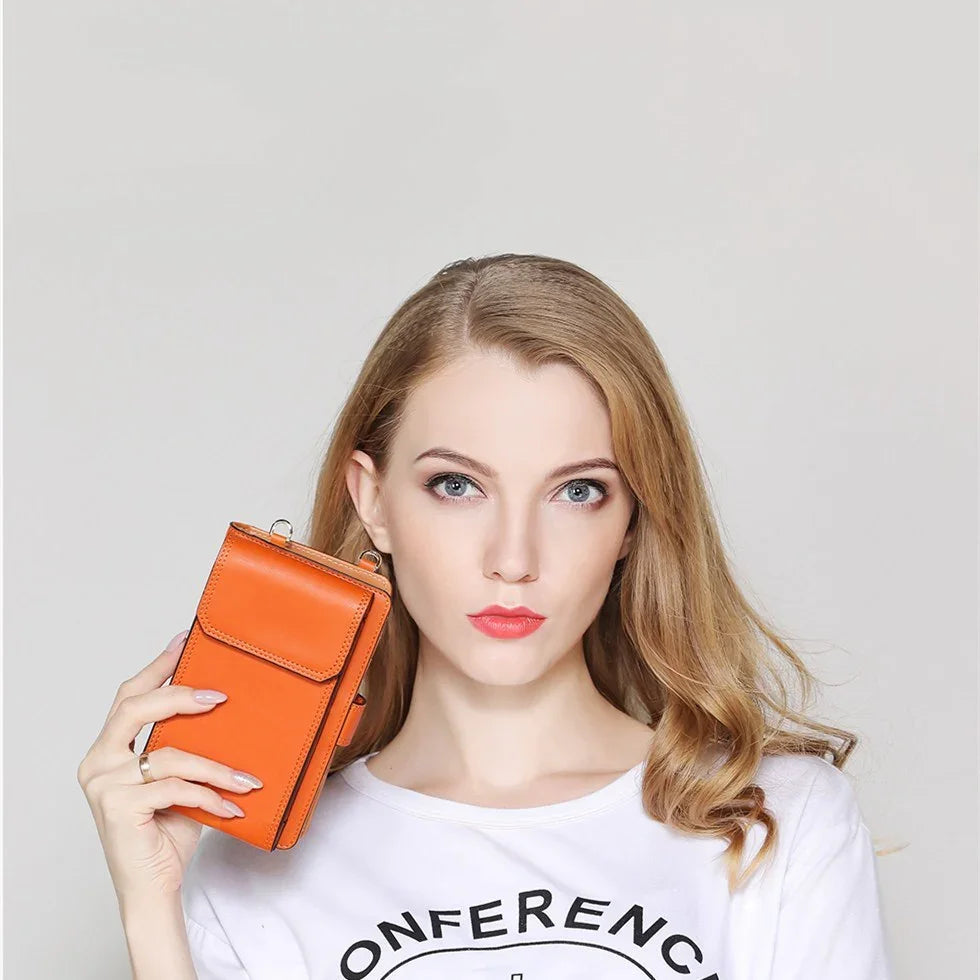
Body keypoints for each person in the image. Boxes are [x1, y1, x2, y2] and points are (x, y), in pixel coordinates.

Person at [78, 253, 895, 979]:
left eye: (578, 491)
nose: (514, 557)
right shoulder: (249, 866)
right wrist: (153, 916)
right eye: (456, 485)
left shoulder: (772, 822)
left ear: (633, 520)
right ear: (374, 502)